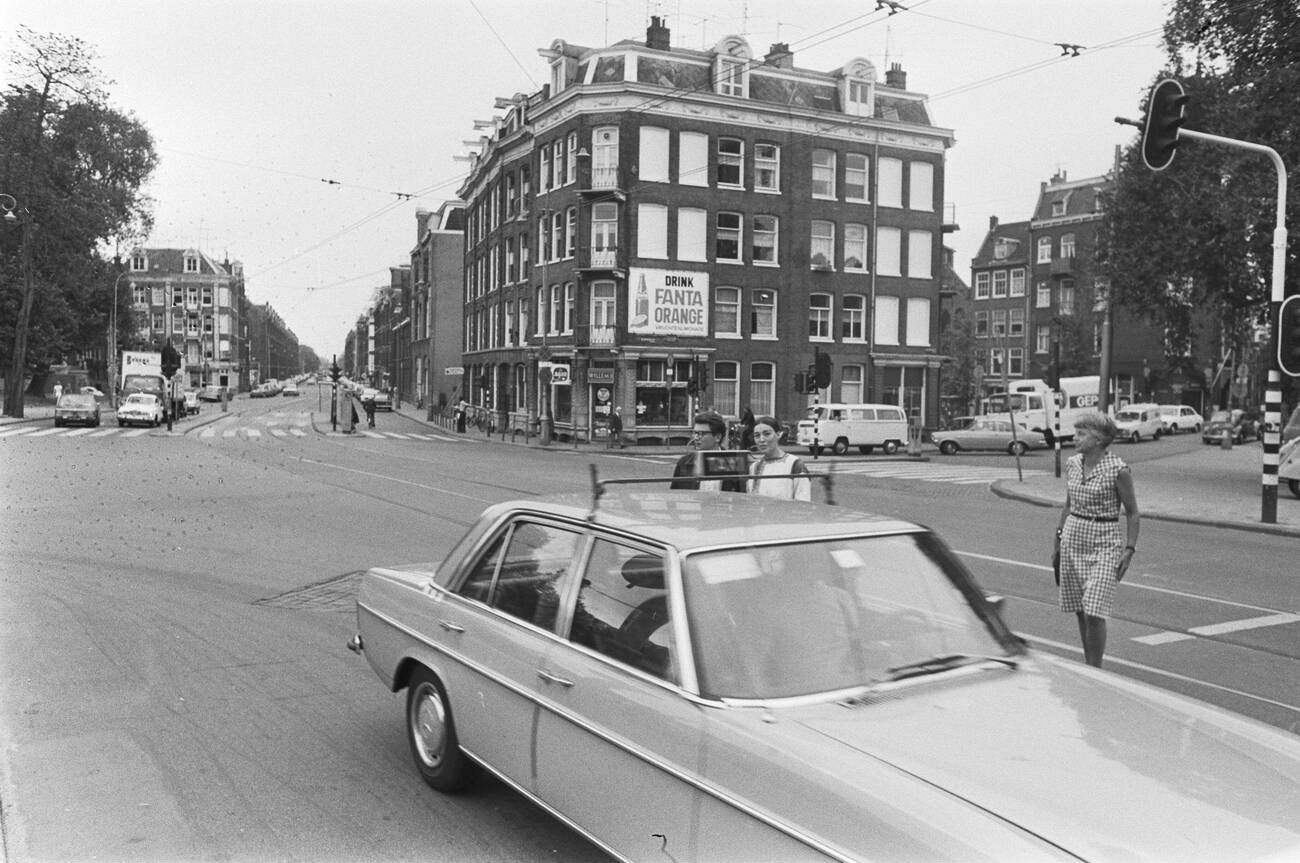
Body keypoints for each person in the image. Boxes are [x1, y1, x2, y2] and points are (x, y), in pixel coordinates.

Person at [1052, 411, 1140, 668]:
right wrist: (1057, 540)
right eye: (1076, 432)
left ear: (1100, 439)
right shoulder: (1072, 464)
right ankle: (1088, 663)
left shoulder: (1118, 470)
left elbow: (1133, 513)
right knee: (1081, 608)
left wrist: (1129, 549)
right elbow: (1068, 505)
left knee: (1094, 609)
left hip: (1103, 542)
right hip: (1073, 538)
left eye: (1082, 433)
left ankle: (1095, 667)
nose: (1075, 437)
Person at [671, 411, 746, 492]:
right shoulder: (683, 463)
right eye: (695, 433)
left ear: (717, 437)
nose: (696, 438)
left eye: (701, 434)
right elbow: (675, 495)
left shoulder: (734, 462)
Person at [748, 415, 811, 501]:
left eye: (767, 434)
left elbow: (803, 501)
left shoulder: (795, 465)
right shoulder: (754, 467)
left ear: (778, 434)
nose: (761, 439)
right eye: (757, 435)